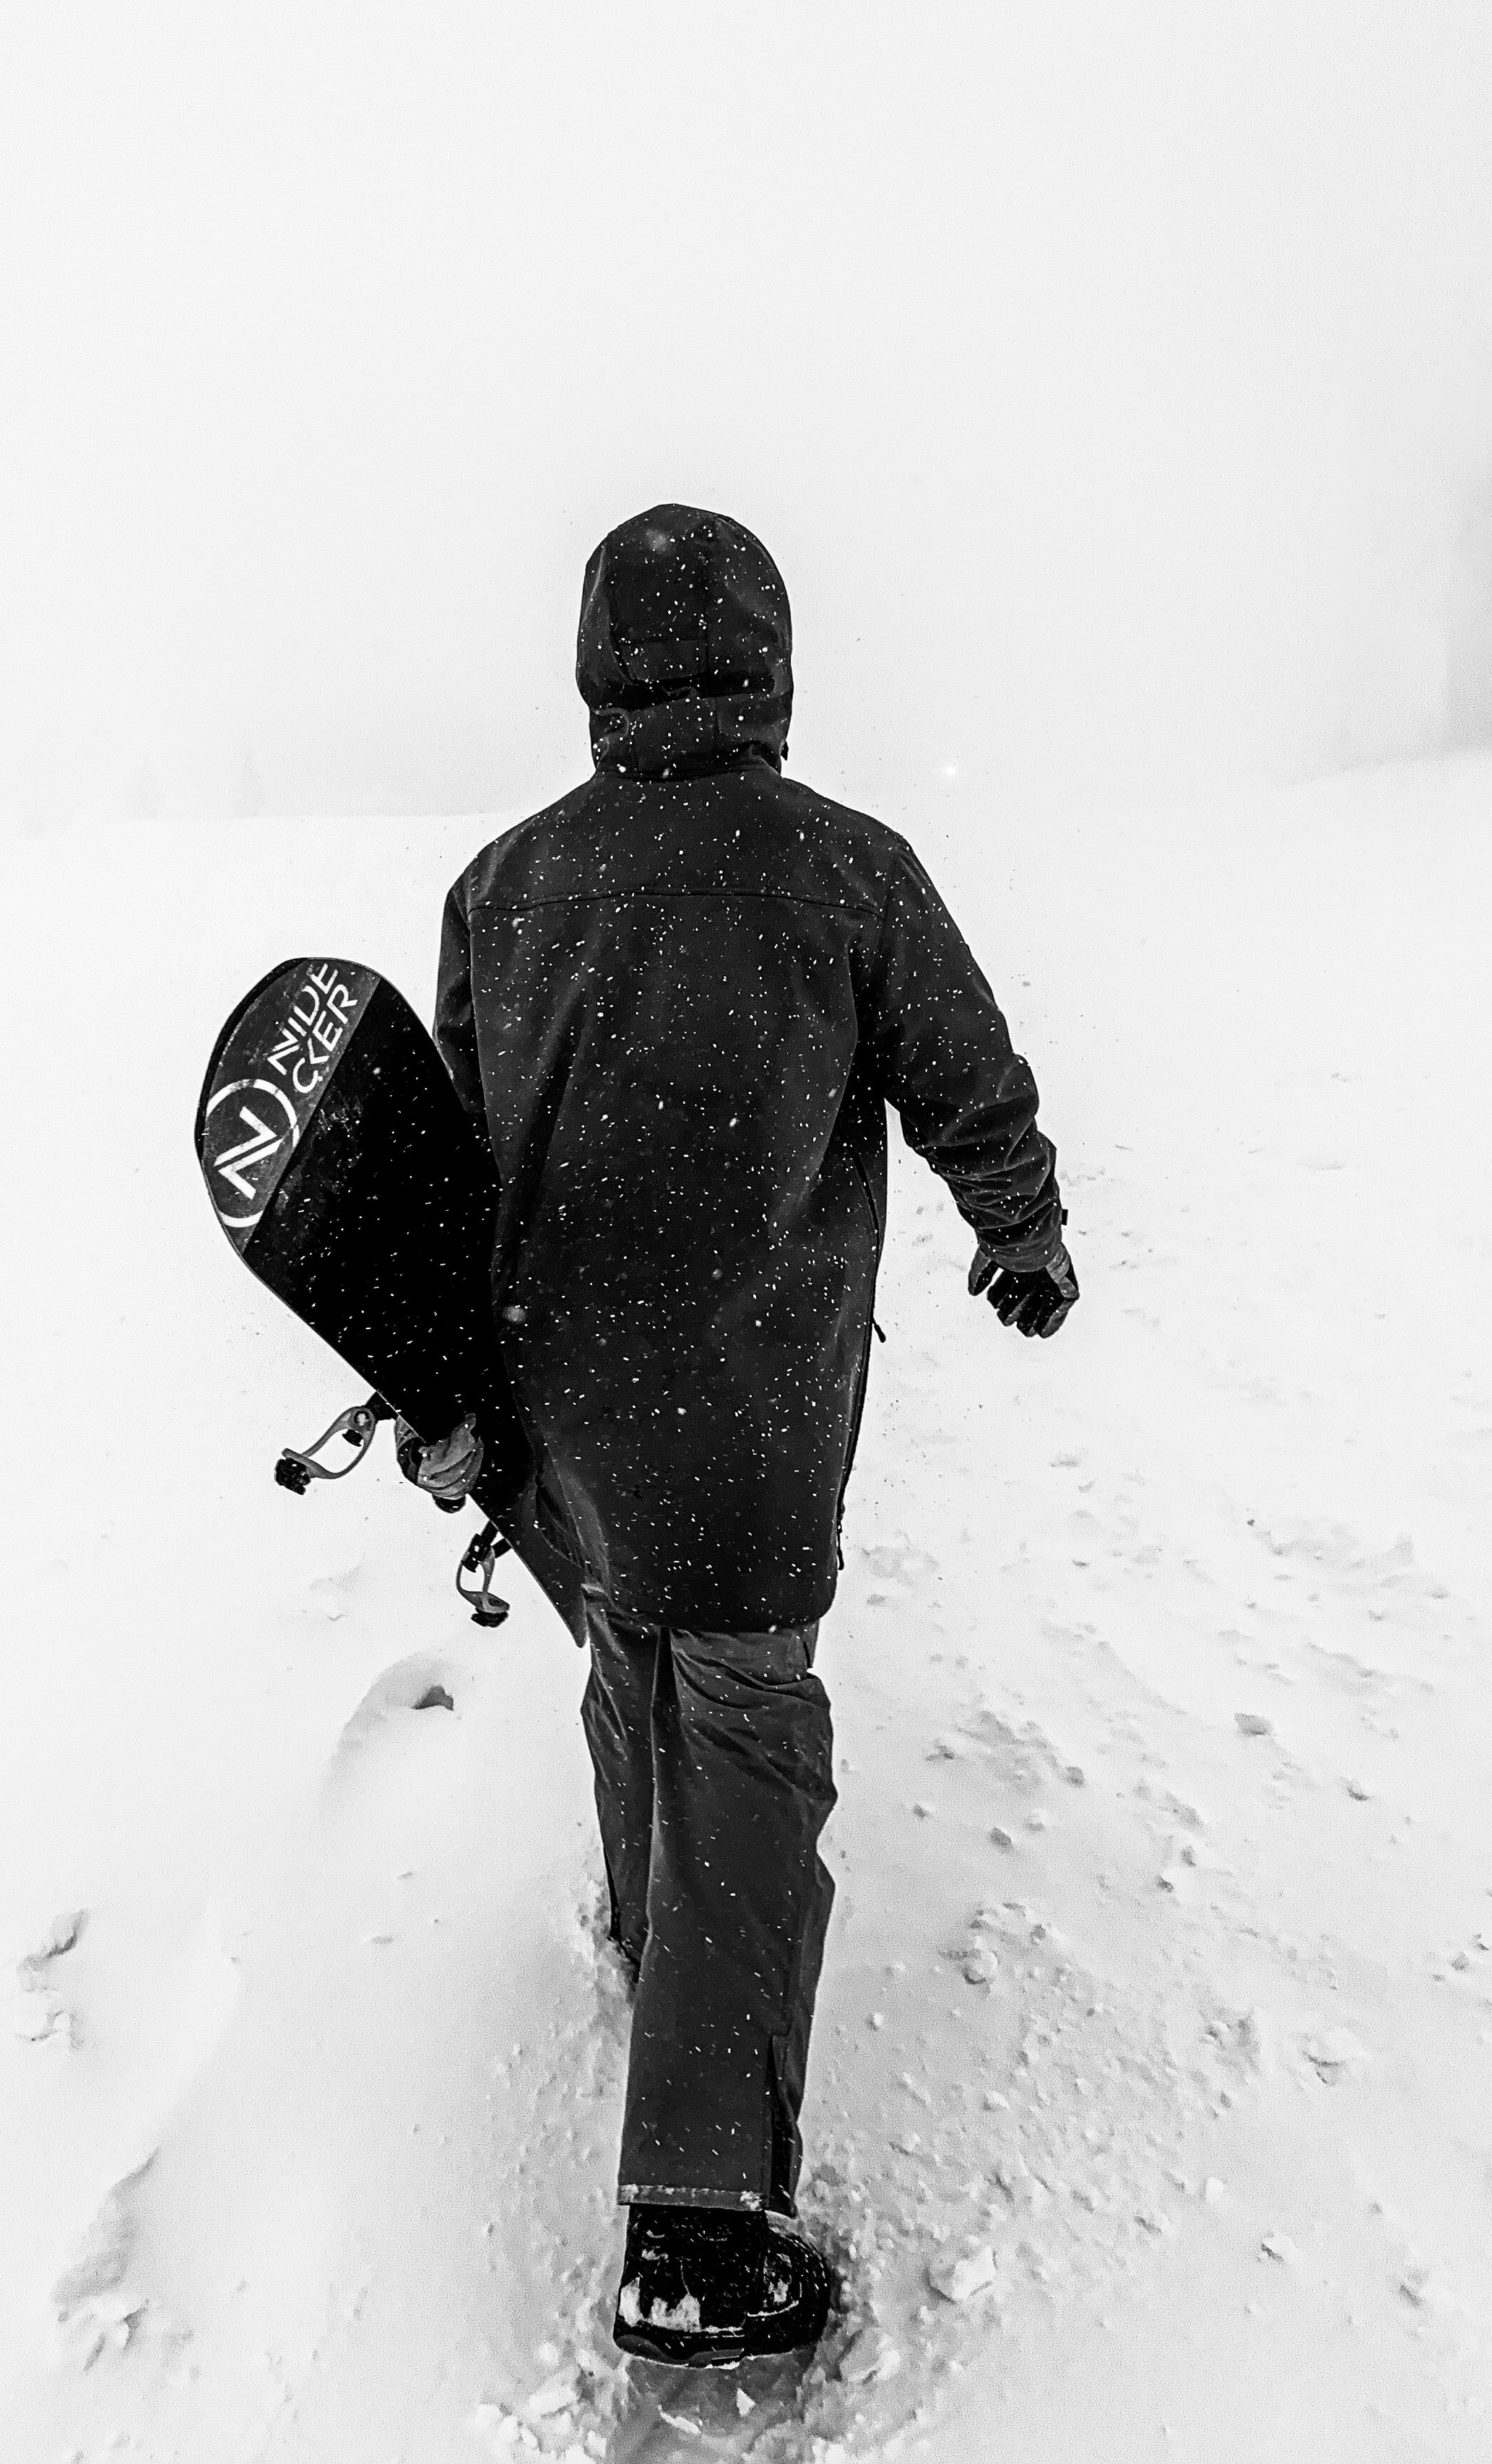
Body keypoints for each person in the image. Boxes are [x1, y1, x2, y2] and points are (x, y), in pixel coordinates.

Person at [433, 504, 1074, 2368]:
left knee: (630, 1652)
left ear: (596, 672)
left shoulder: (505, 885)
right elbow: (966, 1075)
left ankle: (652, 1938)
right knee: (743, 1724)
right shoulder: (846, 870)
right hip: (750, 1405)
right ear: (773, 663)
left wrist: (450, 1394)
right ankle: (701, 2230)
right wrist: (1023, 1233)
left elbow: (451, 1161)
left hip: (565, 1405)